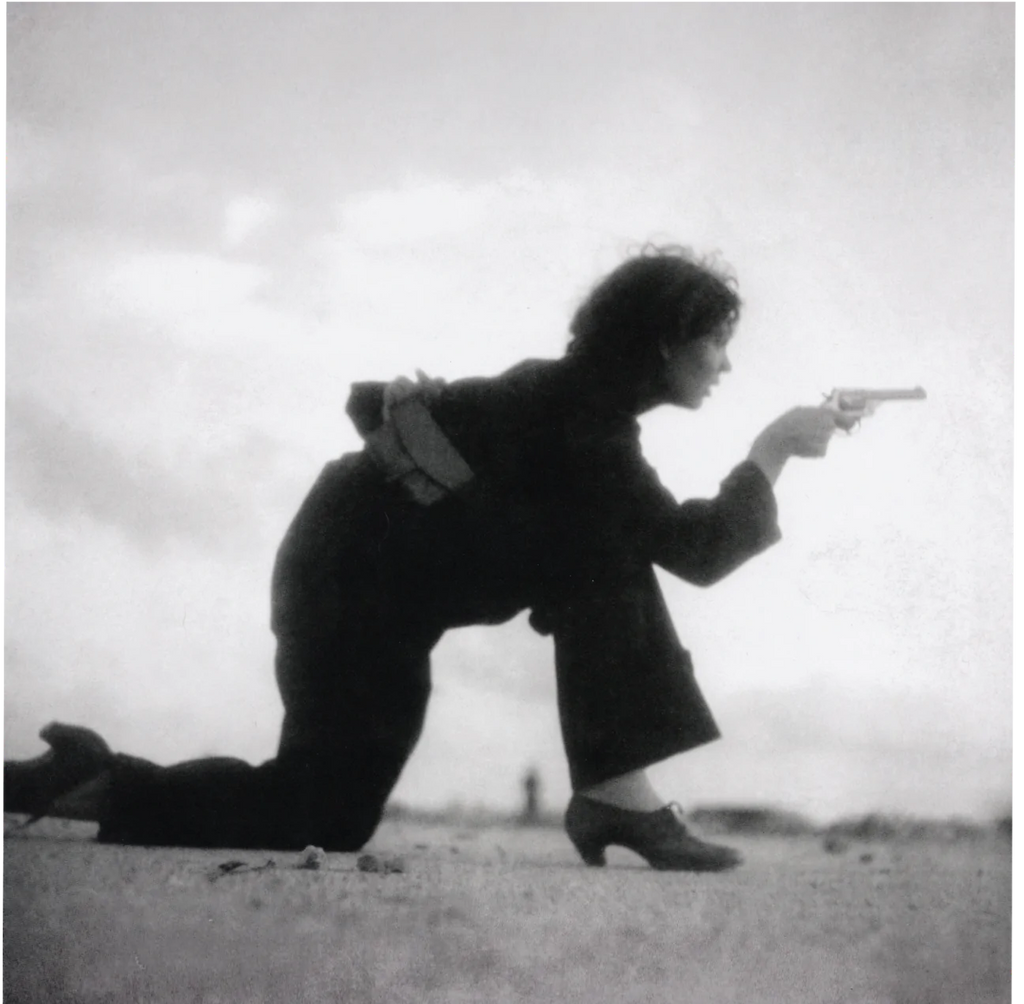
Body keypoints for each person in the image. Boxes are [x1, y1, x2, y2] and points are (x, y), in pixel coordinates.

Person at [3, 245, 849, 871]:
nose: (726, 363)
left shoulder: (573, 402)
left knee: (603, 560)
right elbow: (696, 552)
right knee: (320, 810)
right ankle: (91, 782)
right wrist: (771, 449)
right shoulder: (583, 422)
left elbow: (389, 412)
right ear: (665, 342)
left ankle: (614, 797)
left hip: (360, 575)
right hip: (348, 589)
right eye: (714, 342)